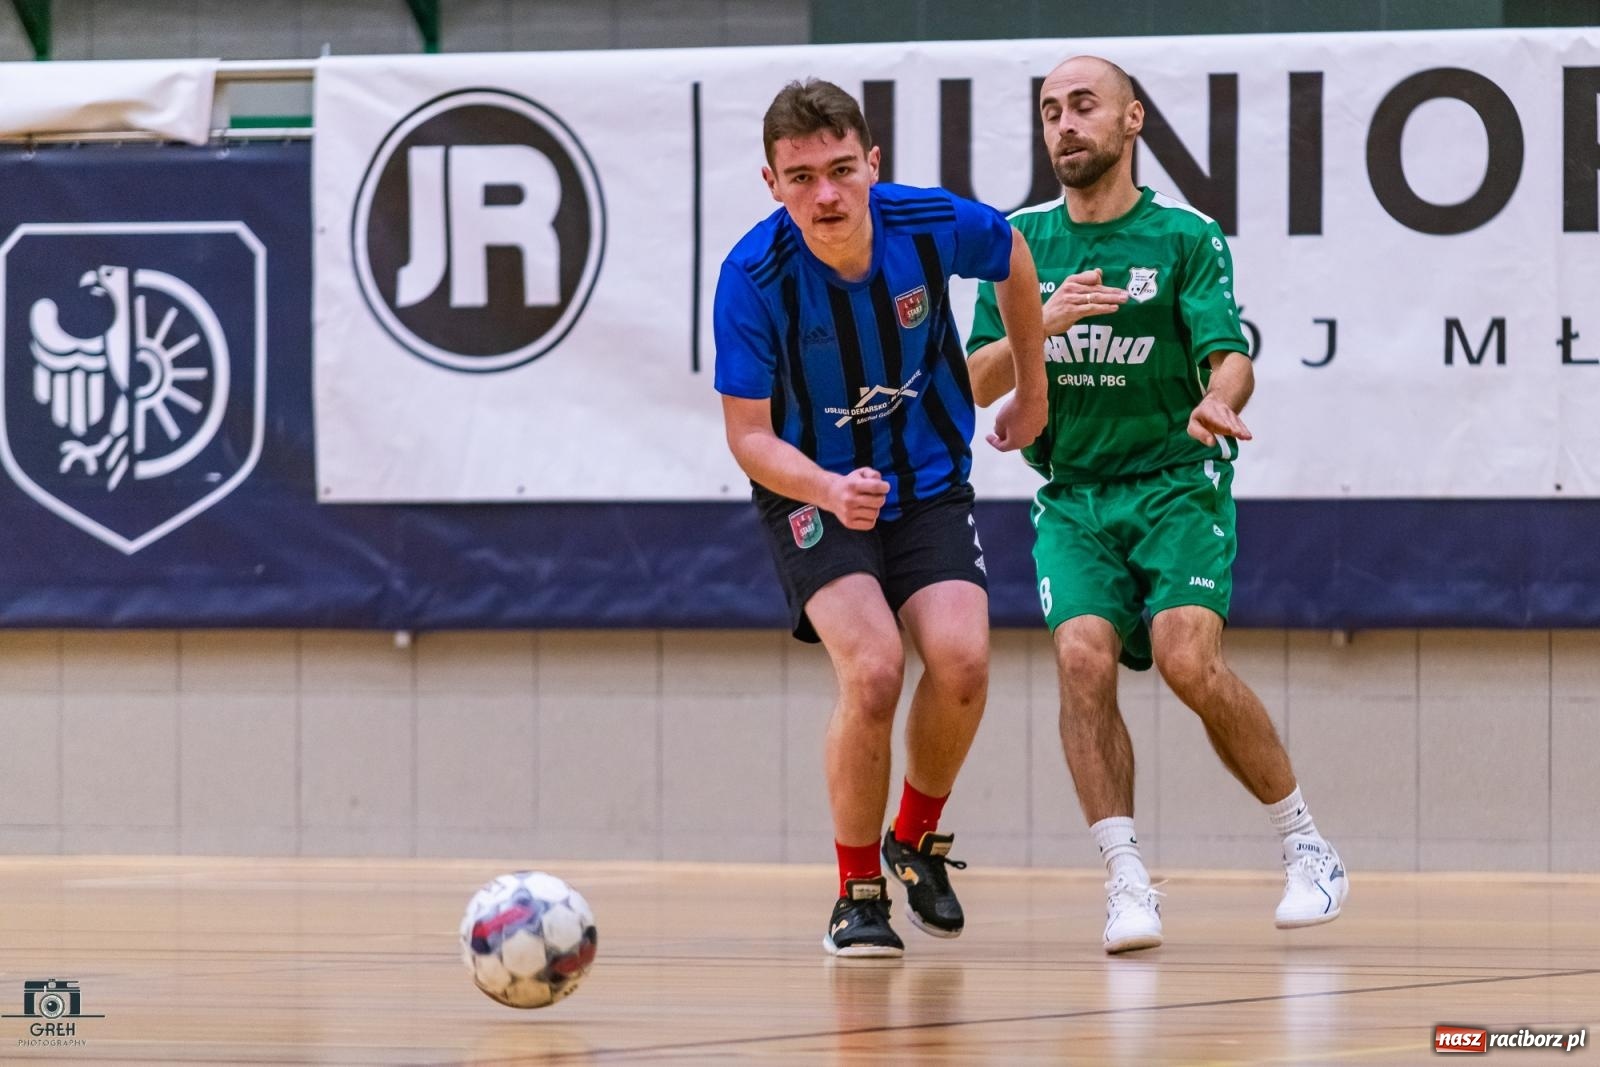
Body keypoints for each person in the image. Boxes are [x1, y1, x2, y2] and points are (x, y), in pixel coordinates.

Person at [966, 55, 1348, 954]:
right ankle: (1126, 879)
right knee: (1082, 660)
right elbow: (974, 377)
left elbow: (1232, 353)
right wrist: (1039, 328)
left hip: (1179, 482)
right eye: (1051, 110)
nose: (1065, 124)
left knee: (1186, 659)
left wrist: (1222, 399)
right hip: (1074, 498)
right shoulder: (1014, 243)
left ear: (1131, 120)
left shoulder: (1185, 235)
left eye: (1084, 106)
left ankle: (1307, 845)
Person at [714, 78, 1048, 957]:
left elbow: (1012, 253)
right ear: (771, 183)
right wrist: (826, 489)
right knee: (872, 670)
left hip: (929, 479)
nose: (824, 195)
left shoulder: (926, 224)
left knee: (965, 660)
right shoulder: (753, 278)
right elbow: (747, 437)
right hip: (812, 492)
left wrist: (1031, 384)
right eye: (799, 177)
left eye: (838, 170)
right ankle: (857, 892)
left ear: (872, 163)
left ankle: (915, 837)